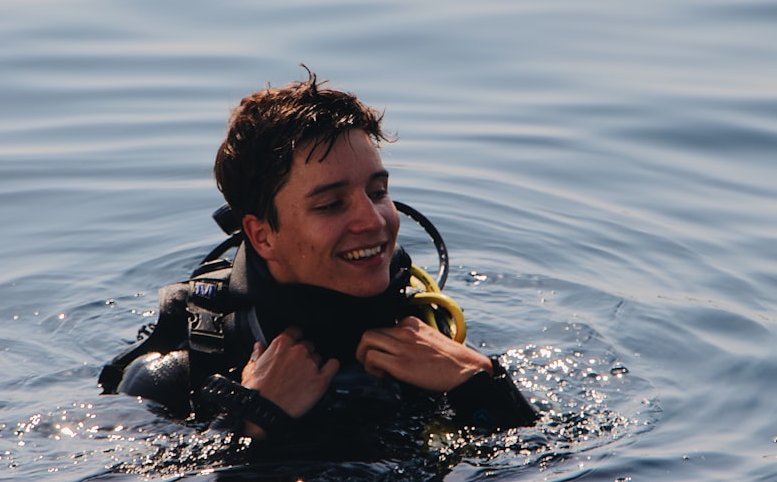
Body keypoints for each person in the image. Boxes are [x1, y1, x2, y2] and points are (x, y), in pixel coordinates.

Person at [99, 69, 537, 445]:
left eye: (378, 192)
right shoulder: (176, 378)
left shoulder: (435, 345)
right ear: (262, 235)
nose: (374, 220)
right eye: (330, 204)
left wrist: (482, 383)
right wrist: (253, 418)